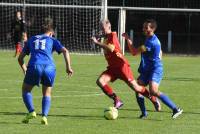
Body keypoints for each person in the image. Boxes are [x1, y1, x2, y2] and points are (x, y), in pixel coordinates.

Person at [91, 19, 159, 111]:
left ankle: (153, 98)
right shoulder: (106, 37)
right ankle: (117, 100)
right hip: (112, 68)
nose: (101, 30)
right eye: (100, 28)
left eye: (103, 28)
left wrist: (97, 43)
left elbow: (111, 48)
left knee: (136, 87)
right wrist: (100, 39)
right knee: (100, 81)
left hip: (122, 66)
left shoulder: (113, 35)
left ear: (109, 27)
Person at [122, 19, 183, 119]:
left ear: (152, 29)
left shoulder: (150, 43)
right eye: (143, 27)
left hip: (155, 69)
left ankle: (175, 109)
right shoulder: (151, 38)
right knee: (138, 88)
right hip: (148, 69)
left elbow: (133, 52)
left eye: (146, 27)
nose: (143, 29)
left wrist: (128, 39)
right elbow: (160, 51)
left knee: (153, 90)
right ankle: (144, 113)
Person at [18, 18, 73, 125]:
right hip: (49, 67)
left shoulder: (32, 39)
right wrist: (68, 67)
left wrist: (25, 69)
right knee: (47, 93)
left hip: (34, 66)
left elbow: (20, 58)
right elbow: (65, 51)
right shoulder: (52, 40)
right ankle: (44, 116)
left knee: (26, 90)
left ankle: (31, 111)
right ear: (51, 33)